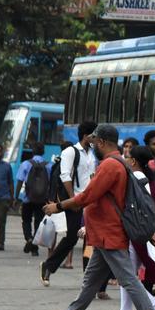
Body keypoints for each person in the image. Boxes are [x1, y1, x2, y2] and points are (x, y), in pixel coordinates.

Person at [41, 125, 155, 310]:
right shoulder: (117, 163)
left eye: (94, 142)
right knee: (90, 283)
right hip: (103, 235)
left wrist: (58, 207)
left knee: (128, 280)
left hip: (110, 234)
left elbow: (86, 196)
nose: (92, 146)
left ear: (102, 142)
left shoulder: (110, 165)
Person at [108, 147, 155, 310]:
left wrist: (149, 232)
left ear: (134, 161)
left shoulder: (136, 179)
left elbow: (138, 209)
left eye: (128, 156)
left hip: (134, 236)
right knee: (128, 277)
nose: (125, 158)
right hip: (142, 235)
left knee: (127, 279)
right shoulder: (150, 179)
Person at [40, 121, 99, 286]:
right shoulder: (70, 152)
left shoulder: (91, 154)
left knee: (90, 239)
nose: (96, 139)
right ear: (85, 136)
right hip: (76, 200)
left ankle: (89, 280)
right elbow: (65, 176)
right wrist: (73, 200)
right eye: (93, 135)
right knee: (73, 237)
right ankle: (48, 266)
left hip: (90, 200)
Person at [15, 142, 52, 256]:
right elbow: (50, 183)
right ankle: (35, 248)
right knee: (39, 222)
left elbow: (20, 181)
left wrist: (16, 197)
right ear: (43, 152)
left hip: (28, 198)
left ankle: (29, 239)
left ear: (33, 151)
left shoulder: (26, 164)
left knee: (26, 220)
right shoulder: (48, 165)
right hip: (42, 199)